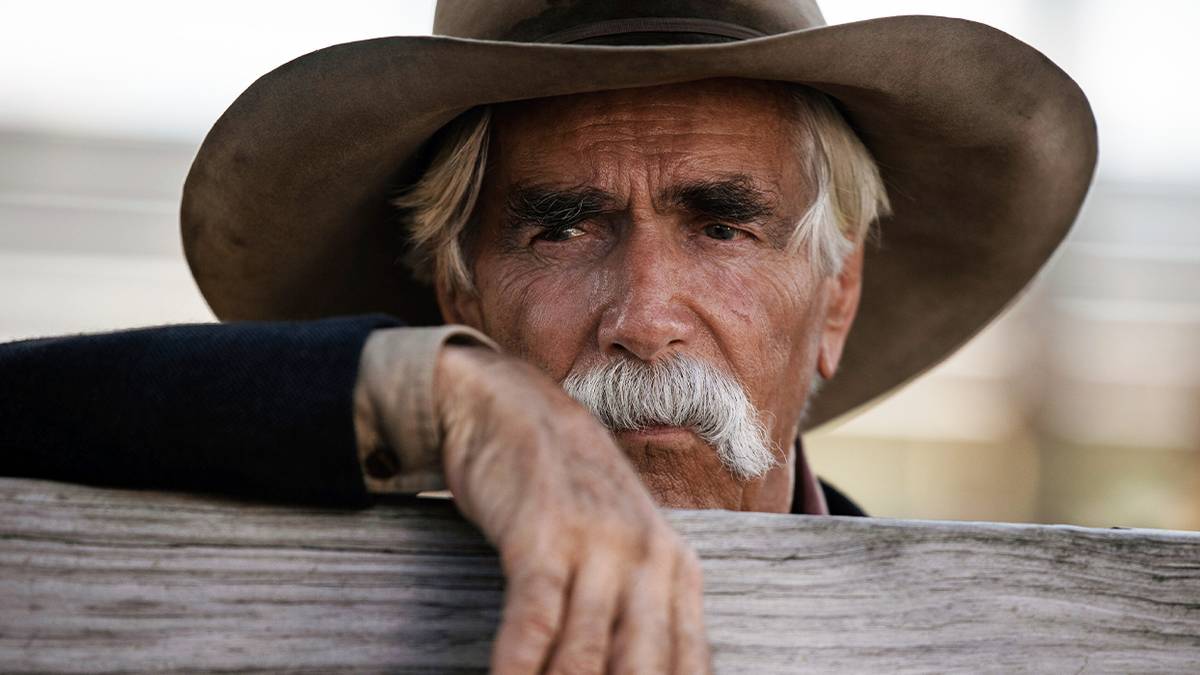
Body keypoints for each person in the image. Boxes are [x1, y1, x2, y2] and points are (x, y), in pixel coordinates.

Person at [1, 0, 1096, 672]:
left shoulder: (973, 649)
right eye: (564, 229)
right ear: (460, 291)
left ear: (837, 296)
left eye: (722, 226)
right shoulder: (298, 613)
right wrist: (442, 397)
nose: (644, 319)